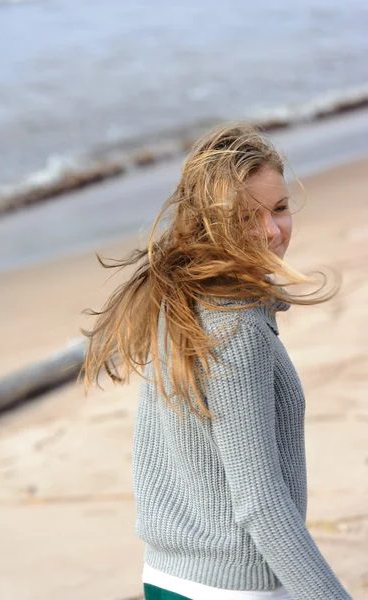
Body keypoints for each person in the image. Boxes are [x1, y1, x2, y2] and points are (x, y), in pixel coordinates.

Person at [82, 123, 352, 599]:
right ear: (211, 221)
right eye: (247, 217)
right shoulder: (237, 324)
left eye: (281, 209)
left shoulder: (178, 296)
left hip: (169, 577)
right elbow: (261, 503)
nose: (271, 232)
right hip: (234, 586)